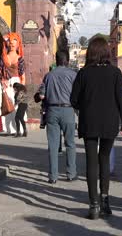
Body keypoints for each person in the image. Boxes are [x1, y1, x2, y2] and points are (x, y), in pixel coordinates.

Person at [71, 37, 122, 220]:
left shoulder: (84, 73)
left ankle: (93, 205)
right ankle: (105, 201)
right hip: (109, 122)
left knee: (91, 161)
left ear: (90, 53)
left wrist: (86, 104)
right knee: (104, 159)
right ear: (106, 52)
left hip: (89, 121)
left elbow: (73, 100)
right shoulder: (115, 73)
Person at [39, 51, 77, 184]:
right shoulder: (73, 75)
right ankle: (71, 173)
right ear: (67, 60)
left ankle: (53, 176)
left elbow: (42, 95)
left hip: (52, 110)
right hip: (68, 110)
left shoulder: (48, 76)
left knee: (53, 145)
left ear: (56, 60)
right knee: (70, 143)